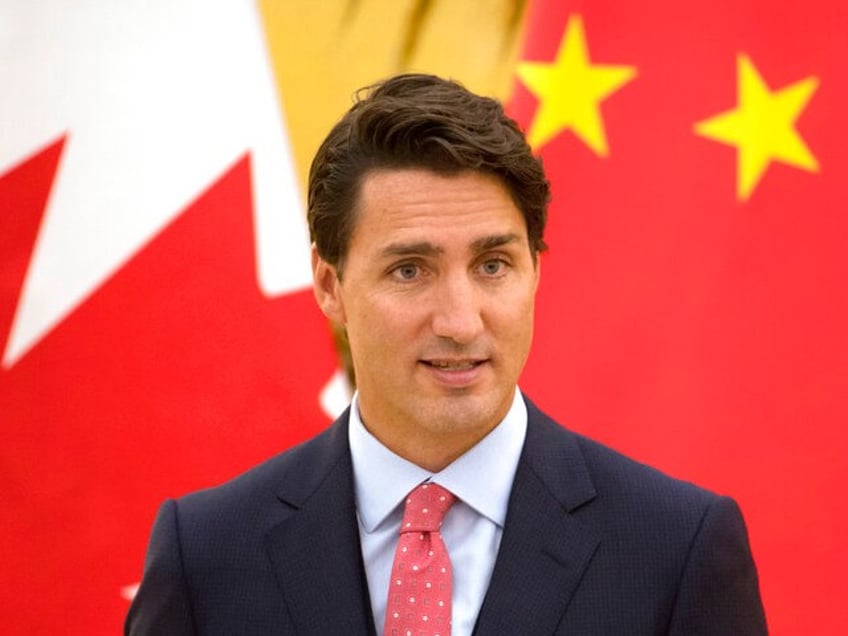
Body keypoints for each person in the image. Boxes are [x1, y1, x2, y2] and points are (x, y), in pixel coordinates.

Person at [126, 73, 767, 635]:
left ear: (536, 272)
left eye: (493, 265)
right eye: (410, 270)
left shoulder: (676, 548)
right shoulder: (206, 554)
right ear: (329, 286)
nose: (461, 322)